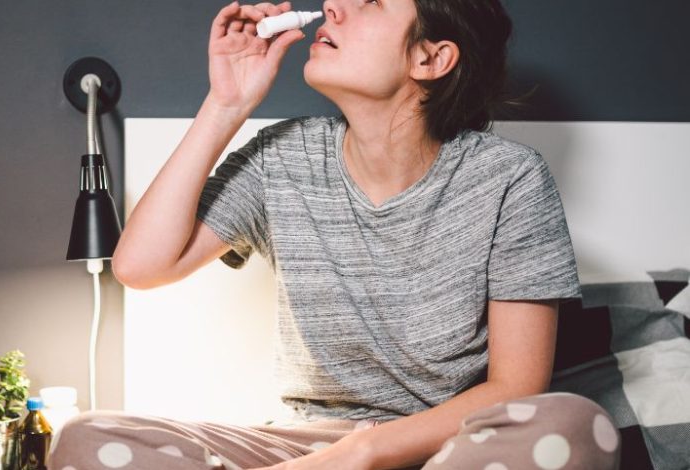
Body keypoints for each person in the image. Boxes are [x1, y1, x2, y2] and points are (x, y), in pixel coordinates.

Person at [49, 1, 622, 469]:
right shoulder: (283, 157)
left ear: (431, 57)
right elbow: (140, 267)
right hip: (304, 448)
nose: (332, 7)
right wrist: (227, 103)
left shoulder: (509, 178)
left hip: (448, 448)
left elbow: (517, 387)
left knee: (573, 423)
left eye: (370, 2)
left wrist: (363, 453)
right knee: (87, 436)